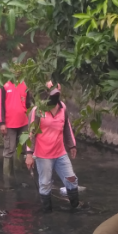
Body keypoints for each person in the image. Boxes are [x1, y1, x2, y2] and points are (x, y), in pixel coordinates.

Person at [25, 82, 79, 212]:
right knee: (45, 184)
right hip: (43, 155)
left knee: (71, 179)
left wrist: (72, 145)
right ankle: (47, 214)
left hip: (60, 152)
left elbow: (67, 127)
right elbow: (31, 133)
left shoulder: (63, 108)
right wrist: (29, 155)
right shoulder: (37, 111)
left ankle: (75, 209)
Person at [0, 79, 32, 176]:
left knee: (22, 149)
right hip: (9, 124)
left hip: (24, 122)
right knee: (9, 150)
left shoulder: (25, 84)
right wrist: (2, 123)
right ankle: (7, 179)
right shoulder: (4, 85)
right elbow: (0, 105)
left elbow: (28, 103)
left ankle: (20, 174)